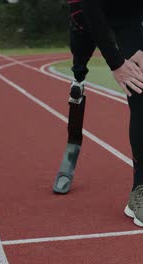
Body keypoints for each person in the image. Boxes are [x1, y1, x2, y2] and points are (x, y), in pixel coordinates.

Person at [56, 0, 143, 227]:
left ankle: (138, 193)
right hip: (87, 10)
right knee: (79, 71)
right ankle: (77, 96)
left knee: (141, 89)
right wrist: (116, 64)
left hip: (133, 13)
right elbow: (92, 8)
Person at [52, 0, 97, 195]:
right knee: (78, 75)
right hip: (84, 12)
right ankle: (73, 143)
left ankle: (140, 186)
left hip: (125, 12)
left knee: (138, 83)